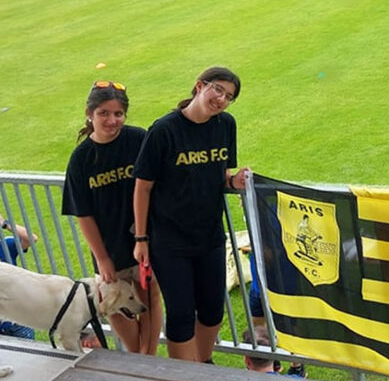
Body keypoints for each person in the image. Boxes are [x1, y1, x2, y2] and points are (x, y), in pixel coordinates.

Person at [133, 67, 249, 363]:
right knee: (182, 313)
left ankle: (203, 364)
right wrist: (141, 239)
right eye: (217, 89)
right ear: (199, 86)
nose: (221, 99)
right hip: (169, 241)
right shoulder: (164, 130)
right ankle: (185, 377)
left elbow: (221, 175)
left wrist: (234, 181)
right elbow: (143, 187)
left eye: (229, 96)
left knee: (212, 310)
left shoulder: (225, 125)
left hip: (210, 235)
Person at [62, 81, 163, 355]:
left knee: (149, 296)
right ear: (89, 114)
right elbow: (83, 214)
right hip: (109, 247)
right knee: (115, 303)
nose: (112, 120)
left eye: (118, 114)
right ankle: (136, 356)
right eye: (104, 113)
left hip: (145, 239)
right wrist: (102, 258)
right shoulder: (81, 159)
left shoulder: (138, 139)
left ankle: (149, 356)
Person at [0, 214, 38, 339]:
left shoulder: (5, 245)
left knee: (29, 349)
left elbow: (31, 238)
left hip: (18, 317)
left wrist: (5, 224)